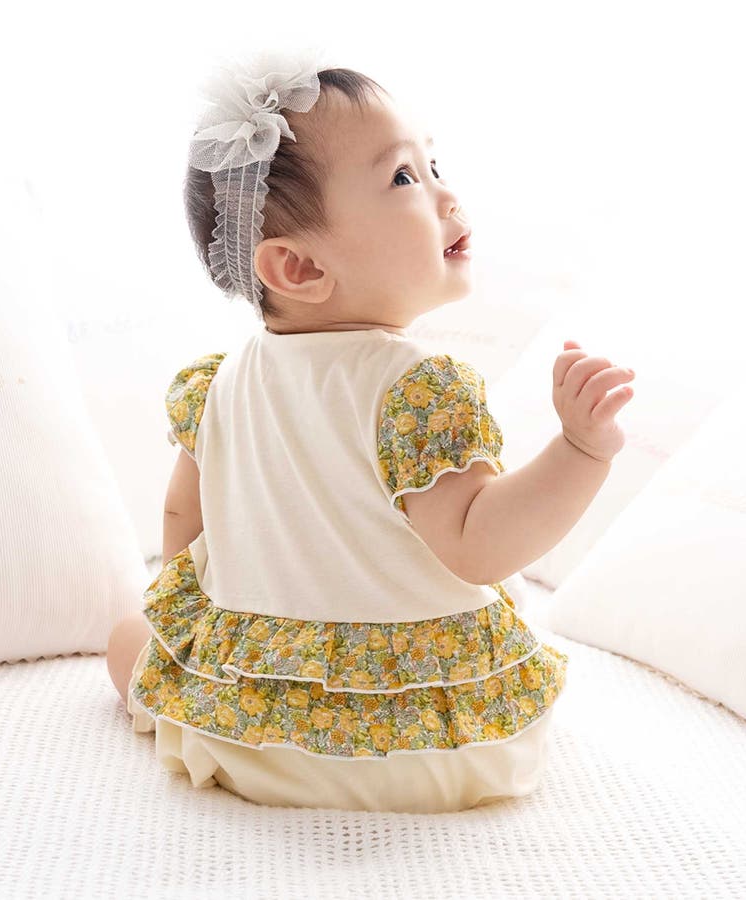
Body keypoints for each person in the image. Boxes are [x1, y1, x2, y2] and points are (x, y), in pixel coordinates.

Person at [108, 48, 635, 813]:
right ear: (298, 268)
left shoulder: (220, 384)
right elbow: (481, 546)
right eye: (404, 178)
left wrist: (196, 641)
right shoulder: (418, 389)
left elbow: (183, 517)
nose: (447, 194)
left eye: (433, 164)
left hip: (255, 738)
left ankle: (189, 694)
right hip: (429, 746)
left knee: (130, 641)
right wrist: (581, 452)